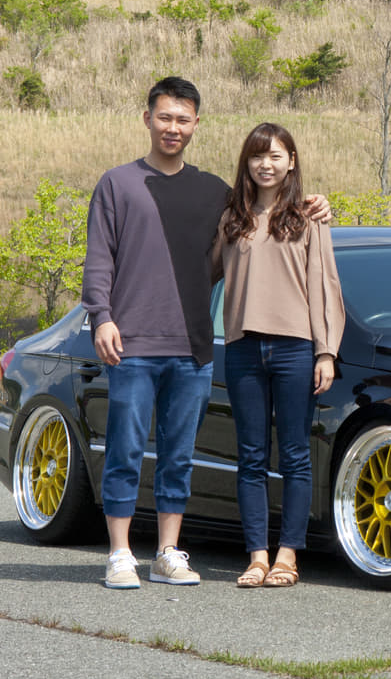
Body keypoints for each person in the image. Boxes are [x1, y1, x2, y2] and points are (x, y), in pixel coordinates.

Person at [82, 79, 330, 590]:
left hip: (194, 347)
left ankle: (168, 553)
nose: (174, 127)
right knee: (126, 449)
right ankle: (121, 555)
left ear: (197, 124)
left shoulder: (216, 194)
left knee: (178, 454)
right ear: (148, 118)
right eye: (165, 117)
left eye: (183, 119)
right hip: (133, 344)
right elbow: (100, 258)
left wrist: (316, 205)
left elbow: (259, 239)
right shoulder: (118, 183)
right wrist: (101, 315)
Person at [212, 122, 344, 588]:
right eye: (256, 156)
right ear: (246, 163)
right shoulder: (231, 219)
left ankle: (288, 554)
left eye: (275, 156)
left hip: (295, 350)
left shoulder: (310, 219)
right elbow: (199, 274)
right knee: (250, 457)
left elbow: (325, 287)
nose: (265, 165)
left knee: (294, 456)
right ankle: (256, 556)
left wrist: (326, 352)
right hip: (243, 349)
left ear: (291, 162)